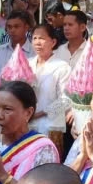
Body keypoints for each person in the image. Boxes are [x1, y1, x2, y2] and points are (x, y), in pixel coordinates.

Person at [30, 24, 71, 152]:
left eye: (41, 38)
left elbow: (66, 99)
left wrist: (40, 113)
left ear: (53, 42)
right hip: (26, 123)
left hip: (50, 125)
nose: (37, 42)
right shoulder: (26, 63)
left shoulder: (62, 67)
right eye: (35, 38)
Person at [0, 10, 34, 81]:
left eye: (16, 26)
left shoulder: (35, 53)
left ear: (26, 28)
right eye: (9, 27)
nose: (12, 30)